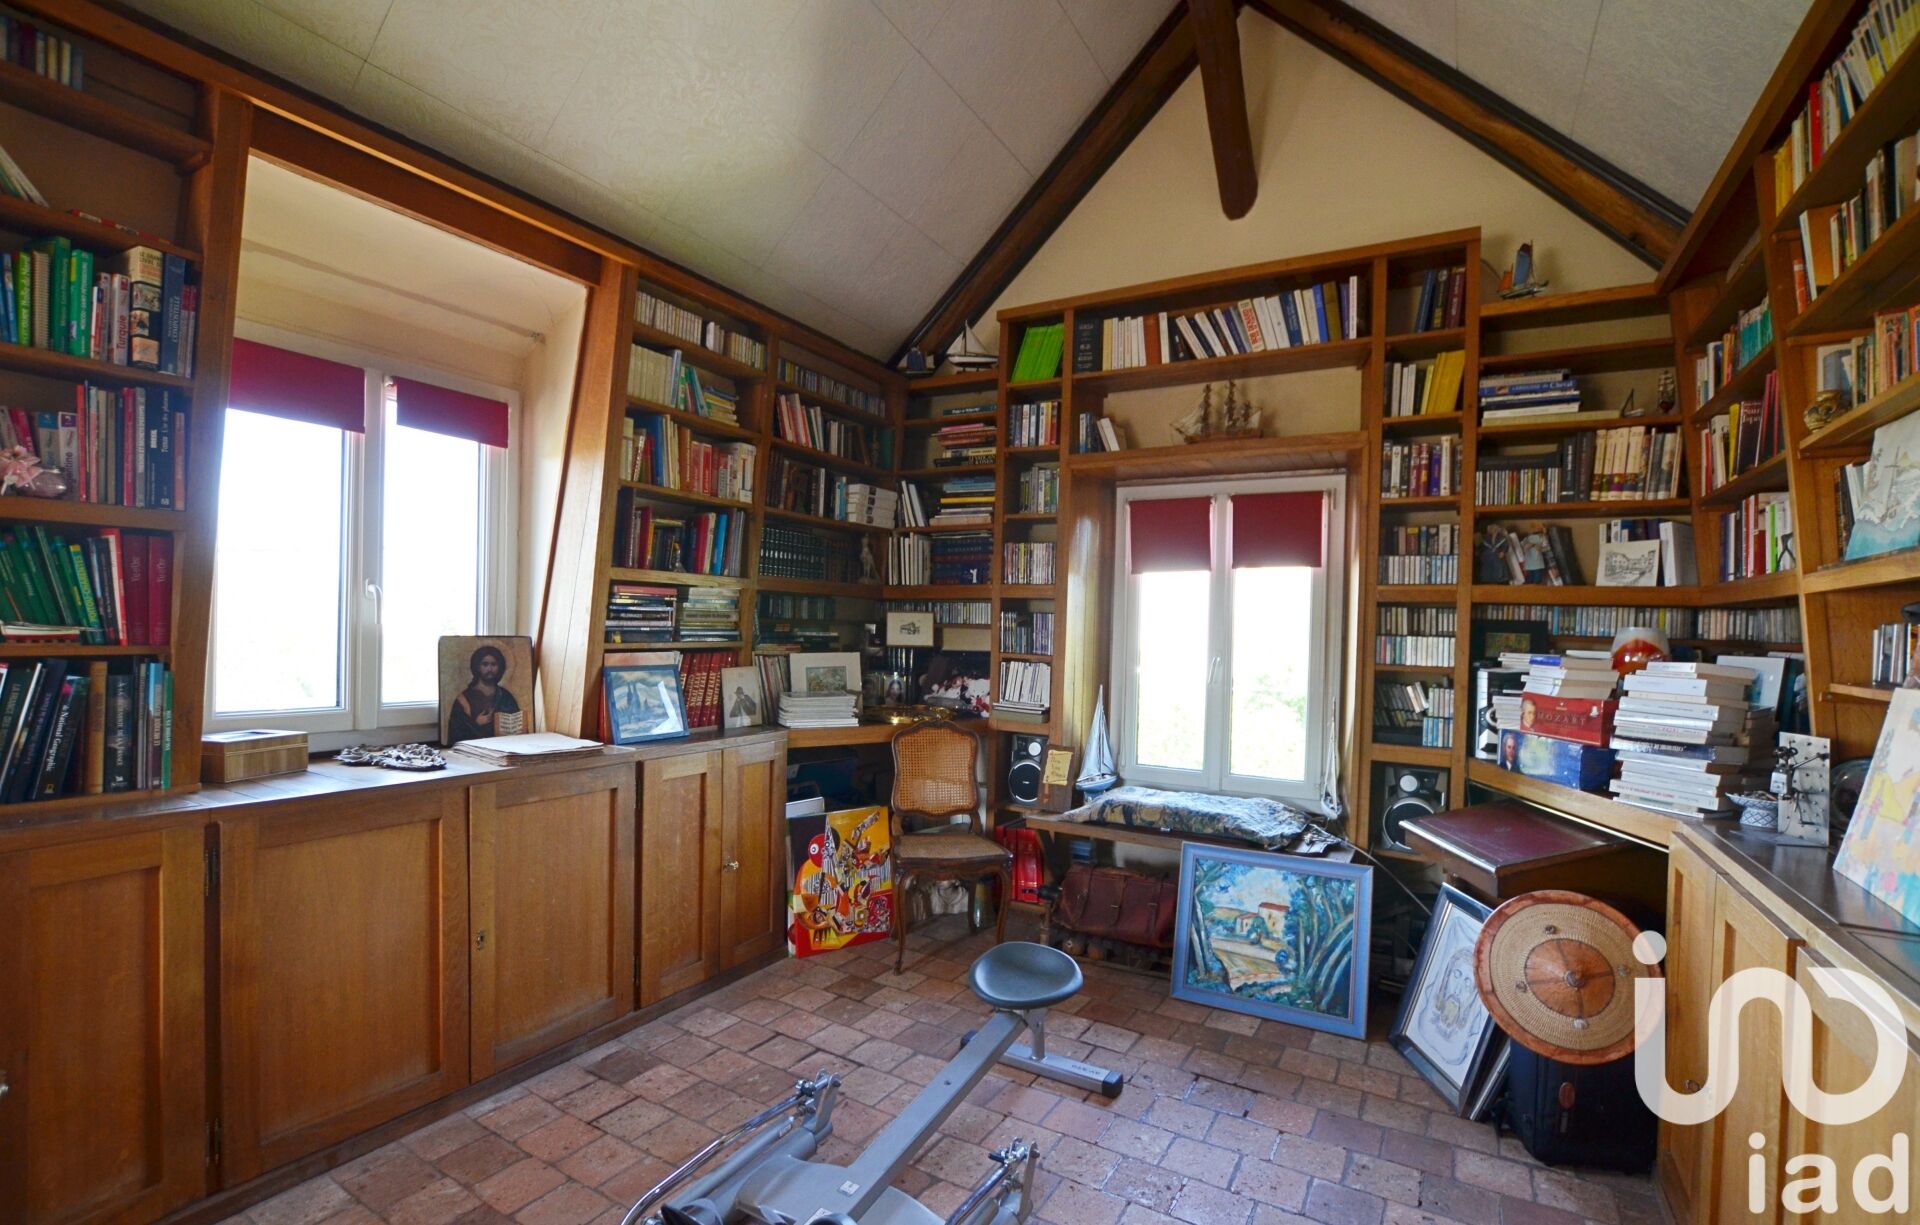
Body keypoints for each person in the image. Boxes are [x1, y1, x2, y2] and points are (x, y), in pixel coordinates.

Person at [446, 644, 523, 743]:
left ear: (500, 668)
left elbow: (517, 728)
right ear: (477, 667)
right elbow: (455, 735)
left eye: (494, 664)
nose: (489, 669)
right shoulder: (463, 700)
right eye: (485, 664)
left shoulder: (506, 697)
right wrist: (476, 724)